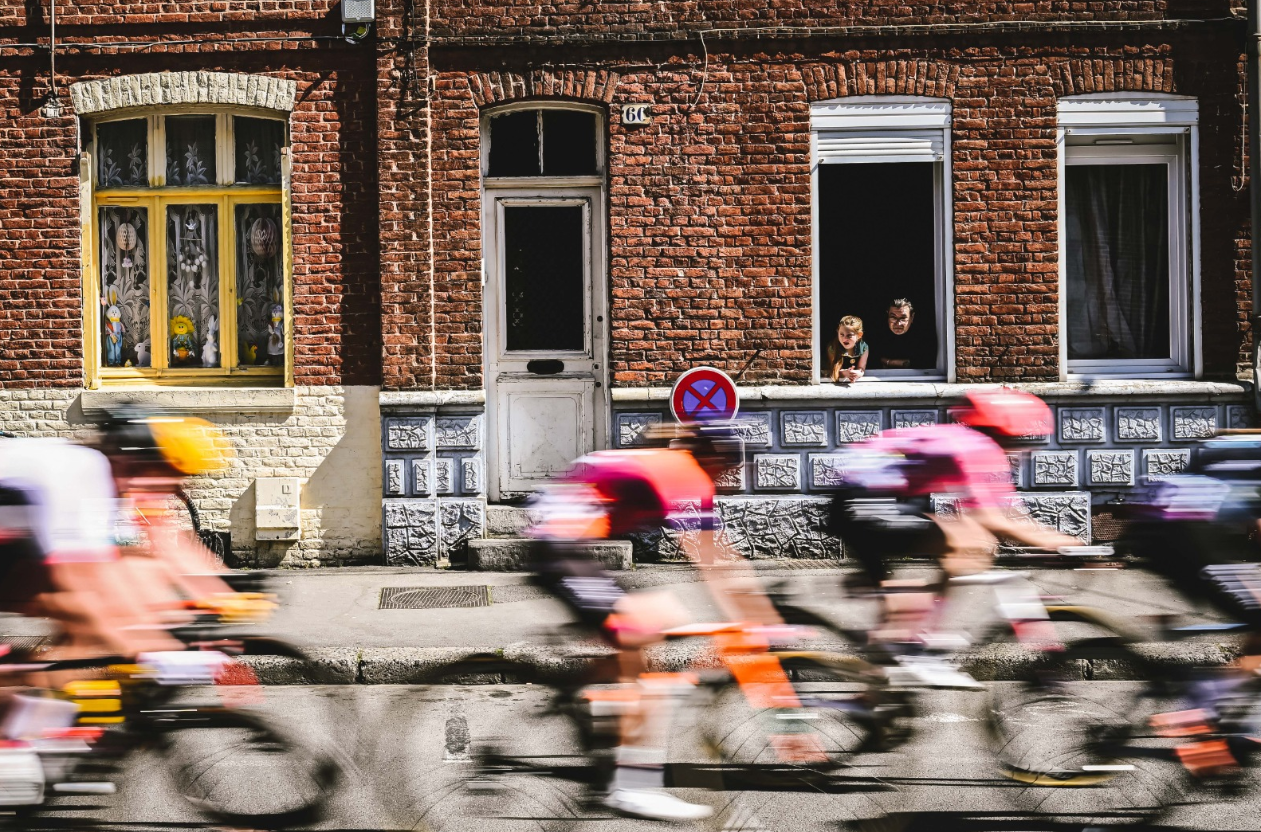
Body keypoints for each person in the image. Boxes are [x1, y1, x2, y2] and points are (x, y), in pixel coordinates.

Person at [527, 422, 795, 821]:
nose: (729, 476)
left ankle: (577, 694)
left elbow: (721, 557)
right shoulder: (681, 471)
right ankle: (633, 787)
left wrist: (754, 611)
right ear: (712, 459)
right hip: (559, 546)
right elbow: (711, 563)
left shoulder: (673, 466)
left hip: (571, 541)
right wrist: (760, 618)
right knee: (642, 634)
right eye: (728, 466)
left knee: (660, 621)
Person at [829, 388, 1084, 641]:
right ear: (1008, 432)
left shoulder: (970, 442)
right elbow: (993, 519)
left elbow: (1010, 513)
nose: (1026, 450)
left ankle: (901, 632)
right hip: (863, 500)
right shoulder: (979, 449)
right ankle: (904, 633)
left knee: (970, 540)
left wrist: (1049, 540)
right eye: (1026, 440)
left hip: (869, 497)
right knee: (970, 542)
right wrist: (1063, 544)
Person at [870, 298, 936, 371]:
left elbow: (926, 361)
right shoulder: (877, 336)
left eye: (903, 318)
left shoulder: (923, 336)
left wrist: (889, 362)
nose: (898, 323)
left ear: (912, 318)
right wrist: (904, 363)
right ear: (887, 317)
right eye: (893, 317)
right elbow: (871, 359)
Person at [825, 315, 869, 383]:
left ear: (859, 335)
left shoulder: (863, 347)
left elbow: (861, 368)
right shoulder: (832, 348)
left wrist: (856, 374)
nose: (844, 339)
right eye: (841, 334)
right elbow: (833, 371)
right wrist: (845, 373)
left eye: (849, 335)